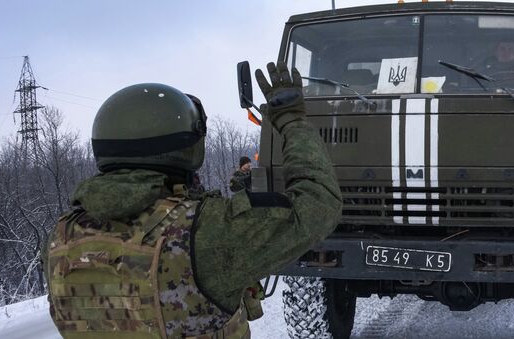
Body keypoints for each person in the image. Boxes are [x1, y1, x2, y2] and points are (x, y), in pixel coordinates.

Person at [42, 62, 342, 339]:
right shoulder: (205, 230)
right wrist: (292, 120)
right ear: (188, 147)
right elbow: (318, 205)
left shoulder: (60, 238)